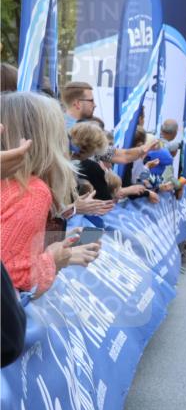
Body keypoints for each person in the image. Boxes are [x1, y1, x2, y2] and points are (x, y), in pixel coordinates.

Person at [1, 92, 101, 296]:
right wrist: (54, 258)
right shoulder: (31, 191)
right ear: (45, 139)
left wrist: (61, 251)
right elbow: (13, 281)